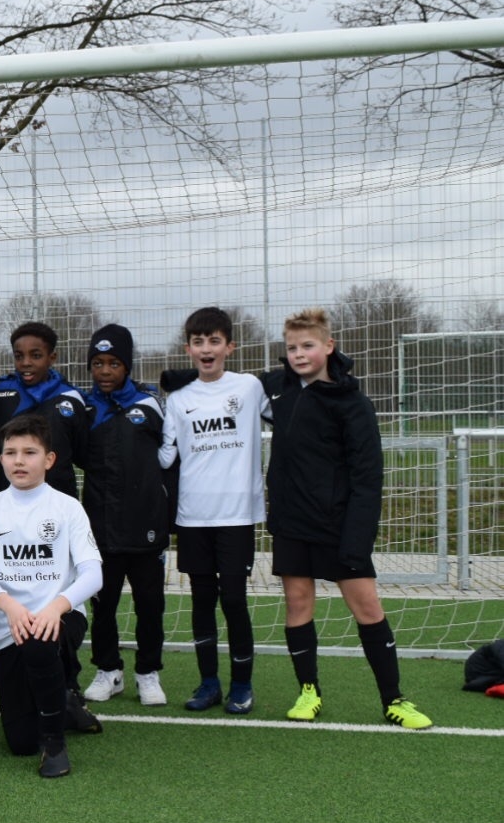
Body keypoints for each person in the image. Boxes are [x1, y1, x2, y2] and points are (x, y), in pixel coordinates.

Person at [263, 308, 432, 730]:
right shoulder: (279, 389)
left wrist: (357, 538)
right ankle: (308, 691)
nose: (299, 354)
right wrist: (178, 378)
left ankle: (394, 699)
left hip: (338, 526)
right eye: (292, 348)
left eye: (307, 346)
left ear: (329, 346)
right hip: (292, 522)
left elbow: (367, 477)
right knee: (297, 604)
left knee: (368, 607)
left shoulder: (353, 403)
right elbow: (227, 382)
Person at [0, 414, 105, 777]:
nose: (18, 460)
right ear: (0, 458)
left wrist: (55, 608)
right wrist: (10, 607)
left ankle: (55, 744)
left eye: (29, 452)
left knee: (40, 641)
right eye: (10, 452)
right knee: (20, 742)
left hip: (61, 618)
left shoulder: (67, 507)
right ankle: (65, 703)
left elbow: (94, 574)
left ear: (49, 459)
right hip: (9, 624)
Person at [158, 306, 269, 715]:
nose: (207, 349)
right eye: (198, 342)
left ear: (230, 347)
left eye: (214, 341)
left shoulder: (250, 388)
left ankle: (242, 685)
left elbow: (290, 412)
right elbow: (165, 456)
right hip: (193, 517)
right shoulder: (178, 399)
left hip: (237, 515)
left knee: (234, 601)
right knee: (201, 602)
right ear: (188, 348)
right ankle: (209, 684)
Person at [78, 324, 171, 707]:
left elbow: (171, 458)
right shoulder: (84, 408)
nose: (105, 371)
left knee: (150, 606)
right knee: (103, 605)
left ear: (127, 366)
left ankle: (148, 673)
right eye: (97, 363)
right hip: (100, 526)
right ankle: (108, 670)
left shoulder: (150, 406)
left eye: (114, 363)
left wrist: (165, 511)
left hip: (146, 525)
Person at [0, 322, 88, 497]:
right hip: (8, 499)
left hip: (58, 500)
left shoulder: (71, 398)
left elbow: (82, 453)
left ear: (52, 357)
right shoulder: (0, 392)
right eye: (19, 356)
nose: (26, 363)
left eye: (36, 355)